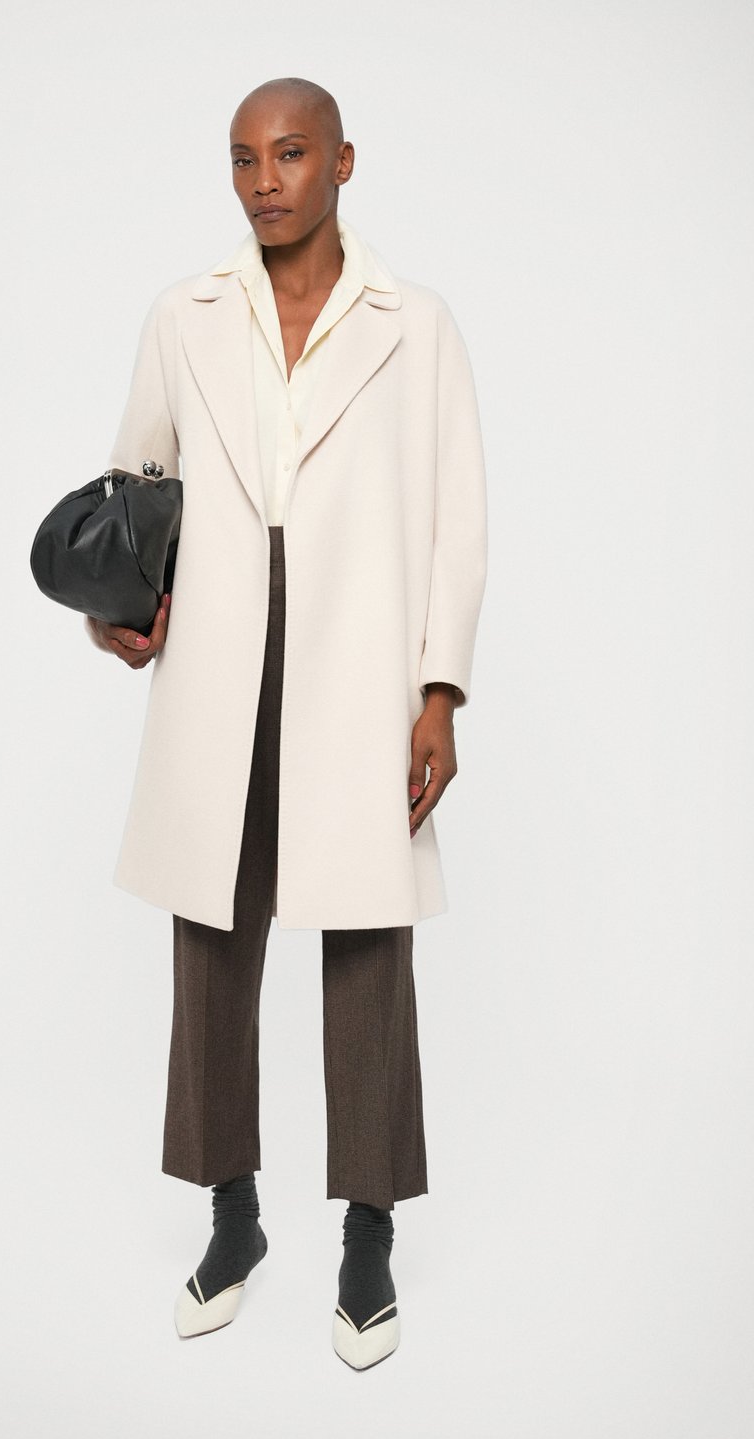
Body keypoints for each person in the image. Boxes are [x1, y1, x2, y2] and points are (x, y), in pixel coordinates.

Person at [86, 76, 487, 1371]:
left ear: (344, 164)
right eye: (244, 158)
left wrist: (439, 691)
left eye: (292, 154)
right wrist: (114, 610)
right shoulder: (185, 315)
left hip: (357, 661)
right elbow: (136, 486)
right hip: (217, 658)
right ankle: (234, 1216)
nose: (265, 181)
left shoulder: (417, 325)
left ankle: (369, 1232)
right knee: (211, 942)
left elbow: (457, 518)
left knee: (368, 947)